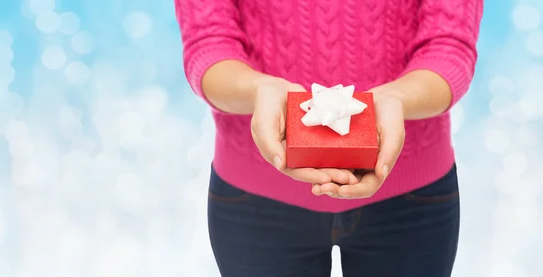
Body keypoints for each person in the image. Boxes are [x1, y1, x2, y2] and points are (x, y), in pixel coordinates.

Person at [174, 0, 482, 276]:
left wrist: (398, 98)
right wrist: (257, 90)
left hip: (411, 199)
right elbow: (208, 43)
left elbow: (450, 46)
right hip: (254, 200)